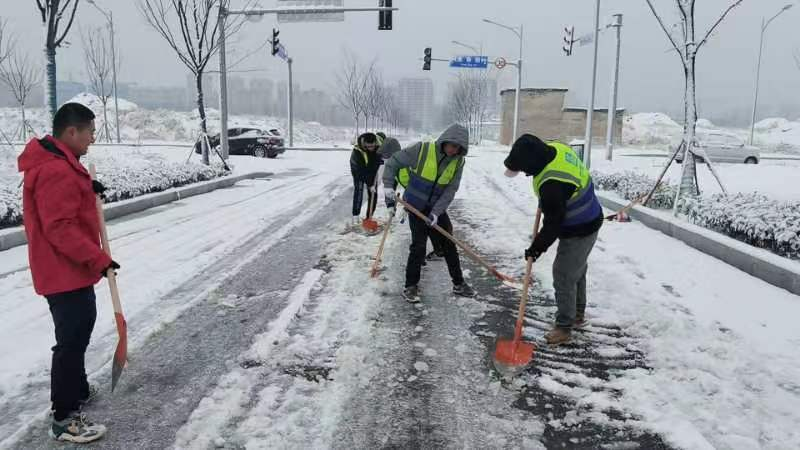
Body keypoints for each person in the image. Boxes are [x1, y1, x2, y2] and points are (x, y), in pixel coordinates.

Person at [18, 103, 118, 443]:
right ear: (71, 132)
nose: (92, 139)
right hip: (64, 271)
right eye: (90, 132)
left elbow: (65, 204)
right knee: (71, 342)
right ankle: (64, 417)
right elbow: (59, 228)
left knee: (78, 331)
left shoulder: (61, 164)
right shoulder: (56, 170)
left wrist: (88, 189)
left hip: (63, 270)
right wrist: (98, 259)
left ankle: (77, 388)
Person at [503, 134, 603, 345]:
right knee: (577, 269)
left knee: (564, 273)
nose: (524, 174)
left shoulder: (552, 185)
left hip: (580, 226)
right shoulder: (555, 148)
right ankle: (576, 314)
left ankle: (564, 327)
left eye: (523, 169)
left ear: (531, 163)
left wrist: (536, 248)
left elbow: (553, 225)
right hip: (589, 215)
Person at [382, 124, 475, 302]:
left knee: (449, 243)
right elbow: (394, 162)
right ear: (444, 141)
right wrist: (387, 187)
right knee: (418, 246)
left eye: (458, 148)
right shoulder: (422, 150)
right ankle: (410, 286)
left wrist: (436, 213)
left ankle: (459, 284)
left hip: (435, 209)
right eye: (452, 145)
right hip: (415, 206)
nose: (453, 150)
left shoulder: (458, 161)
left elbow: (450, 190)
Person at [378, 137, 444, 263]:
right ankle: (421, 257)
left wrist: (411, 201)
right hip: (414, 201)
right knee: (420, 231)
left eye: (387, 156)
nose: (385, 160)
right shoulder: (394, 168)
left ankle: (438, 250)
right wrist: (390, 205)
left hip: (428, 199)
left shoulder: (409, 162)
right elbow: (390, 187)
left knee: (432, 226)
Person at [350, 132, 382, 230]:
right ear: (364, 144)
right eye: (369, 147)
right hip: (358, 170)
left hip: (371, 170)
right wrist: (369, 184)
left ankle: (369, 217)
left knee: (374, 194)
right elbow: (360, 171)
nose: (371, 148)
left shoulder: (378, 145)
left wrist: (373, 184)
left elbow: (375, 163)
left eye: (373, 146)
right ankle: (355, 216)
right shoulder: (357, 152)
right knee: (359, 190)